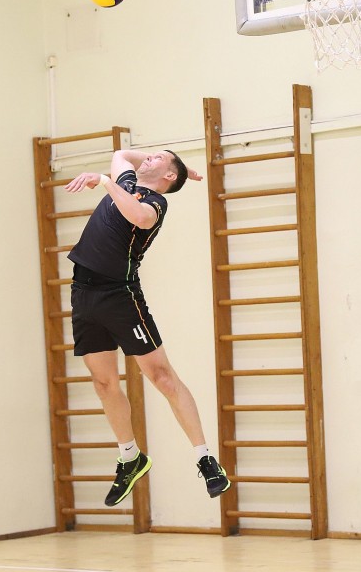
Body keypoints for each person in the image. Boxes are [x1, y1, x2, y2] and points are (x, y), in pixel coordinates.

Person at [63, 149, 232, 507]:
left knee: (162, 378)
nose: (149, 158)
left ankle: (205, 459)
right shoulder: (126, 180)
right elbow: (122, 153)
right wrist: (179, 166)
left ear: (168, 177)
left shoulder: (155, 203)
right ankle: (130, 457)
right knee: (103, 383)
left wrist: (104, 181)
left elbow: (138, 217)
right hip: (83, 293)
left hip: (120, 296)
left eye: (158, 158)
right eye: (151, 154)